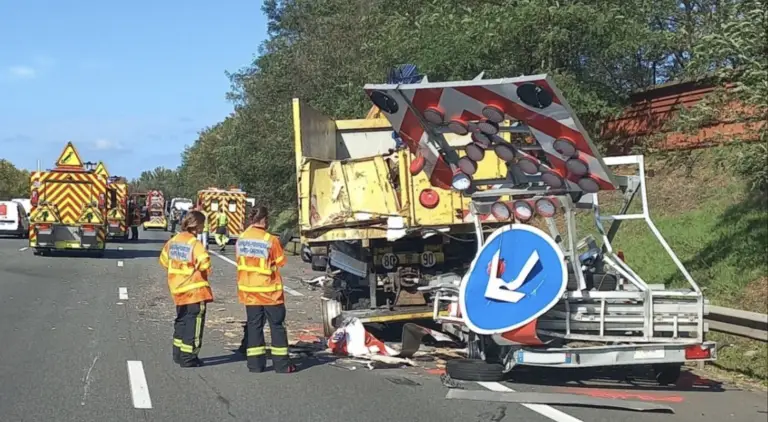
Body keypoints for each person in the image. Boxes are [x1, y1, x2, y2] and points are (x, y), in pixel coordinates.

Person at [236, 206, 295, 373]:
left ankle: (255, 365)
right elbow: (281, 261)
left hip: (249, 291)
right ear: (264, 220)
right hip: (270, 292)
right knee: (277, 327)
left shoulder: (241, 239)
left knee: (254, 327)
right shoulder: (270, 240)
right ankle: (282, 365)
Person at [159, 211, 213, 367]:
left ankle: (178, 354)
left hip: (178, 289)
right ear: (197, 225)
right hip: (195, 290)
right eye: (203, 224)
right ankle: (189, 357)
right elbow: (205, 264)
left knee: (181, 321)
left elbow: (164, 261)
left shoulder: (173, 241)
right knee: (194, 324)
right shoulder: (195, 243)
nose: (204, 227)